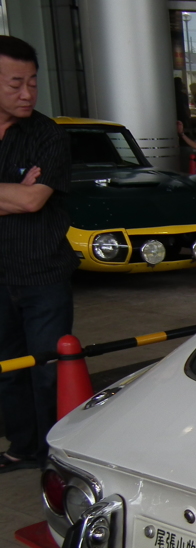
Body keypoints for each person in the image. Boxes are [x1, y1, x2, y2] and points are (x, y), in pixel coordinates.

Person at [0, 36, 77, 471]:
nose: (27, 93)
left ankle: (56, 456)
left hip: (43, 274)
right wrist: (12, 191)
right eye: (15, 84)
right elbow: (19, 197)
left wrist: (22, 195)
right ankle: (22, 447)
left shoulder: (48, 135)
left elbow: (32, 203)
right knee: (8, 369)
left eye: (33, 82)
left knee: (49, 368)